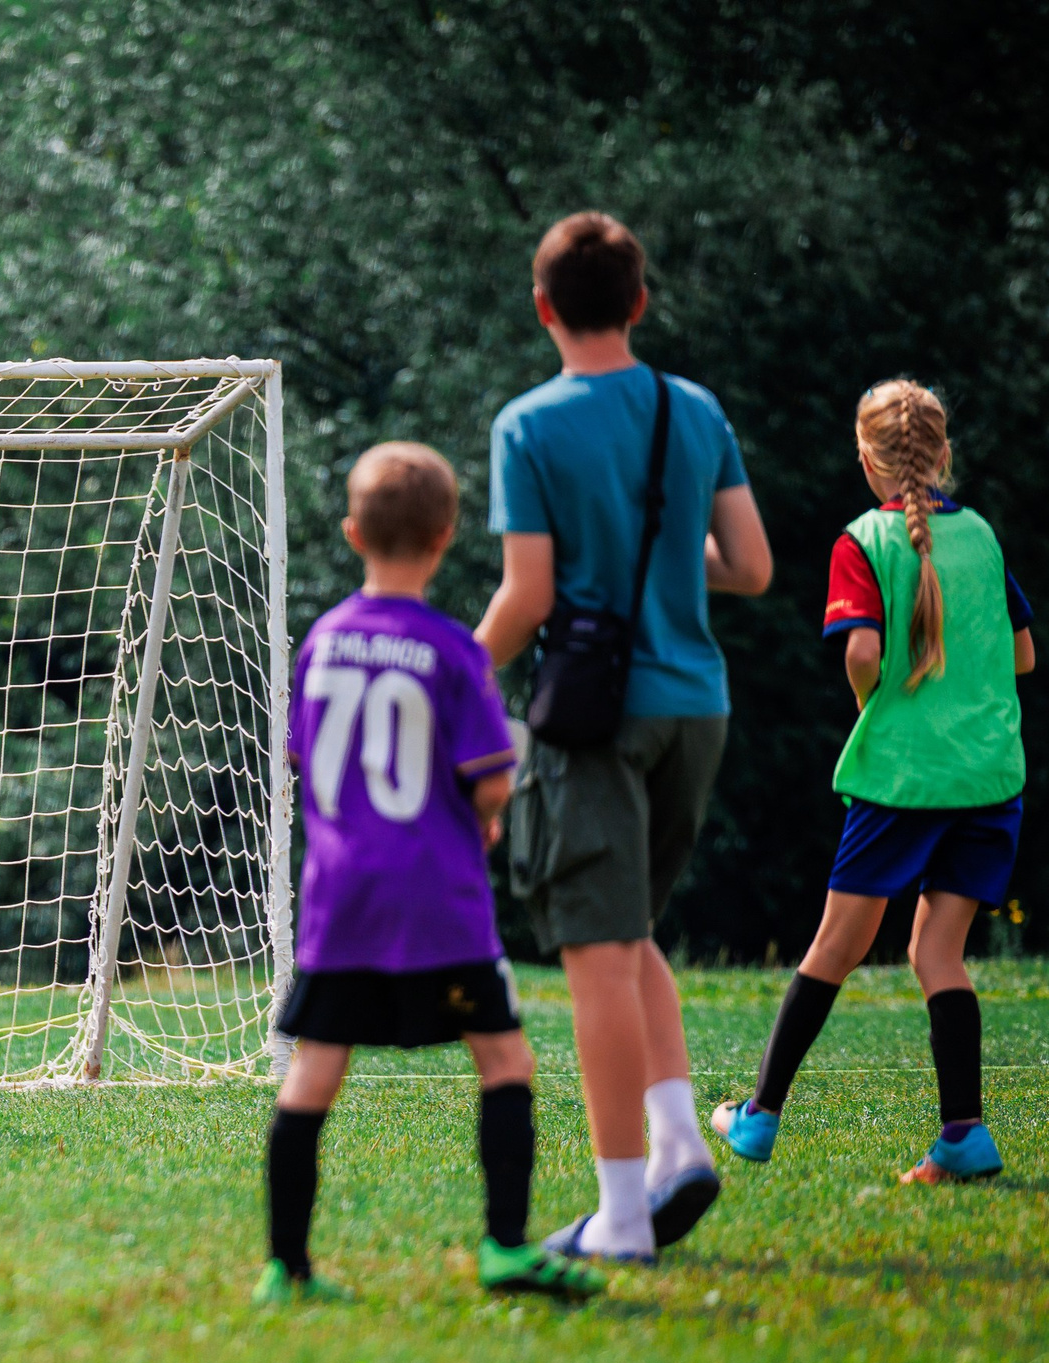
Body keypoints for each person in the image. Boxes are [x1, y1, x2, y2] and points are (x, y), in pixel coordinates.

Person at [474, 210, 774, 1266]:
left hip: (596, 717)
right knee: (633, 932)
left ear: (544, 308)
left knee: (596, 958)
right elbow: (748, 566)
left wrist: (459, 670)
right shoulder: (692, 409)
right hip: (697, 703)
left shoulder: (529, 425)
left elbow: (530, 593)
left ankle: (621, 1216)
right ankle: (680, 1149)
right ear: (640, 302)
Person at [258, 444, 605, 1304]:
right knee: (504, 1058)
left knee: (313, 1070)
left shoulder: (326, 641)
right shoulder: (453, 649)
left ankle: (286, 1266)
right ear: (447, 537)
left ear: (350, 533)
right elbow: (490, 776)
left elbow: (306, 758)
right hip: (436, 899)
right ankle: (503, 1247)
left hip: (342, 901)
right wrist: (487, 810)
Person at [714, 381, 1030, 1185]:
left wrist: (877, 706)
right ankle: (963, 1134)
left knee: (836, 945)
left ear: (865, 460)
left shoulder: (862, 541)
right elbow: (1025, 654)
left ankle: (758, 1118)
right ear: (944, 453)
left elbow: (859, 654)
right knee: (938, 953)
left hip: (904, 779)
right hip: (989, 779)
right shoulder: (985, 539)